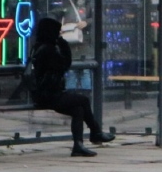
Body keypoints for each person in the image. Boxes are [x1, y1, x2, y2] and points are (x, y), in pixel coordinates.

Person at [31, 16, 115, 157]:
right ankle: (95, 132)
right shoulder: (48, 49)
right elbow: (64, 65)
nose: (59, 35)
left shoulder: (39, 47)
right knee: (83, 100)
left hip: (46, 93)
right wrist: (63, 44)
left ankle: (79, 145)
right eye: (57, 32)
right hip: (49, 94)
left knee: (78, 109)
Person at [61, 0, 94, 91]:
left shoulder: (90, 5)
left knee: (85, 71)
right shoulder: (67, 4)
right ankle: (72, 99)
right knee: (71, 72)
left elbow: (98, 17)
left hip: (85, 42)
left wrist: (86, 22)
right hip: (71, 44)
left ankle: (86, 98)